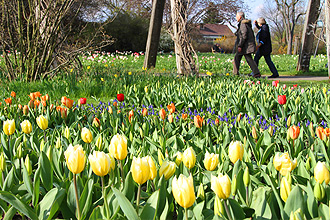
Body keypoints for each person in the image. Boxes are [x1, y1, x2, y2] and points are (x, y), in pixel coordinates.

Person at [233, 12, 260, 78]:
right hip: (246, 45)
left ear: (240, 17)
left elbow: (243, 35)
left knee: (238, 58)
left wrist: (240, 46)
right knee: (246, 58)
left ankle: (235, 74)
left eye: (236, 16)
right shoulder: (245, 24)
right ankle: (256, 73)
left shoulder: (243, 24)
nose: (236, 17)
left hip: (245, 46)